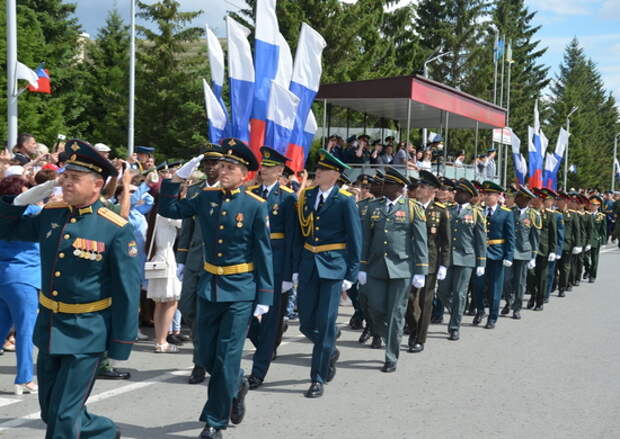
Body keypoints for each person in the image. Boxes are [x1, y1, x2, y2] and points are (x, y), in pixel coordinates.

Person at [0, 139, 140, 439]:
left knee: (63, 417)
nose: (66, 183)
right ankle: (102, 431)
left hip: (88, 333)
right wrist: (19, 201)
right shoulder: (53, 214)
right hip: (50, 327)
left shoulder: (114, 227)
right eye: (65, 176)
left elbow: (127, 292)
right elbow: (7, 230)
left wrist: (120, 345)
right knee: (52, 411)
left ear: (97, 185)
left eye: (75, 179)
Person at [159, 138, 273, 439]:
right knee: (207, 355)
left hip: (240, 290)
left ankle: (215, 421)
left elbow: (263, 252)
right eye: (221, 165)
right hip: (210, 285)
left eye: (230, 166)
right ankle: (238, 384)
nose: (222, 170)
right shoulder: (205, 198)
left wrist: (265, 296)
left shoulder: (254, 206)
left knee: (226, 356)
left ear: (245, 173)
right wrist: (177, 178)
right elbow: (169, 207)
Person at [292, 148, 362, 398]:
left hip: (333, 267)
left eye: (322, 170)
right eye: (317, 168)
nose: (317, 173)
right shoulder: (307, 196)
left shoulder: (344, 200)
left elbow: (355, 239)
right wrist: (296, 269)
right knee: (306, 323)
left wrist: (351, 275)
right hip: (309, 263)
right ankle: (330, 349)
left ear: (334, 175)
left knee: (324, 323)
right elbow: (299, 235)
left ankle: (317, 378)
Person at [360, 167, 428, 372]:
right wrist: (362, 266)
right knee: (375, 308)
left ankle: (391, 356)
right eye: (384, 184)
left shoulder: (412, 208)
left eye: (389, 184)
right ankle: (383, 332)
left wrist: (421, 270)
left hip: (402, 268)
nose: (384, 187)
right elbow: (366, 239)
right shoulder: (373, 207)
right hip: (376, 267)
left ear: (399, 188)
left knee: (396, 313)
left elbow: (420, 241)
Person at [246, 146, 297, 389]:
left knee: (268, 321)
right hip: (249, 264)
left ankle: (258, 371)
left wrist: (288, 274)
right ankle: (267, 346)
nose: (262, 169)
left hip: (275, 267)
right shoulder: (251, 193)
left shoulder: (287, 198)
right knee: (246, 318)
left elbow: (291, 239)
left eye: (268, 166)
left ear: (279, 171)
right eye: (262, 165)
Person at [176, 143, 222, 384]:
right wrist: (181, 259)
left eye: (214, 164)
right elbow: (187, 228)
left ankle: (199, 363)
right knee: (188, 308)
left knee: (206, 314)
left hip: (217, 265)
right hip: (194, 260)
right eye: (207, 164)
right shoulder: (195, 192)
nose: (211, 168)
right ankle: (203, 353)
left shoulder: (229, 191)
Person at [0, 176, 41, 395]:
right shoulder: (32, 210)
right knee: (26, 331)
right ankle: (24, 378)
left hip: (3, 275)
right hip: (24, 277)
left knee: (1, 328)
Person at [405, 170, 450, 354]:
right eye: (419, 186)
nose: (419, 189)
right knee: (408, 299)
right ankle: (413, 327)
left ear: (432, 191)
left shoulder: (440, 212)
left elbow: (445, 241)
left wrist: (444, 265)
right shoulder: (408, 207)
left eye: (423, 187)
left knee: (425, 301)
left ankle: (419, 338)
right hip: (409, 260)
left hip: (430, 263)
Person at [437, 179, 486, 341]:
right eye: (456, 192)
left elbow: (480, 239)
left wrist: (481, 262)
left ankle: (454, 326)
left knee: (459, 293)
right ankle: (456, 311)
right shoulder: (448, 210)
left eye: (459, 192)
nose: (455, 194)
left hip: (466, 258)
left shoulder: (476, 213)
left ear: (468, 196)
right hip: (448, 258)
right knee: (442, 292)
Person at [472, 181, 515, 329]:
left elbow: (510, 236)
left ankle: (492, 317)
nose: (487, 197)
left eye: (490, 194)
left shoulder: (506, 213)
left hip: (497, 254)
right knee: (477, 286)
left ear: (498, 196)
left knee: (495, 288)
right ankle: (480, 310)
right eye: (485, 194)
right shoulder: (478, 210)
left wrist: (509, 256)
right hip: (480, 254)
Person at [501, 185, 540, 319]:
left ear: (527, 200)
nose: (517, 199)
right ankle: (509, 301)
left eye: (520, 198)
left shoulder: (533, 215)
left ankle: (516, 308)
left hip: (524, 252)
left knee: (520, 282)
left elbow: (535, 237)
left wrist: (533, 256)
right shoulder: (509, 212)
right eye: (517, 197)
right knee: (506, 280)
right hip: (510, 252)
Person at [147, 212, 182, 352]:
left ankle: (159, 339)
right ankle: (162, 341)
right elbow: (185, 223)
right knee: (171, 300)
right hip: (167, 258)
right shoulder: (168, 215)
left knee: (160, 302)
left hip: (158, 257)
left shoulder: (155, 214)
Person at [525, 188, 558, 311]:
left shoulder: (549, 215)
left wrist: (553, 250)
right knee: (530, 276)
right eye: (534, 198)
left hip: (543, 249)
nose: (535, 200)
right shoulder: (528, 213)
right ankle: (533, 295)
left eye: (538, 198)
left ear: (542, 201)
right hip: (529, 249)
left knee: (541, 277)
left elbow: (553, 234)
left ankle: (540, 301)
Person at [584, 195, 607, 282]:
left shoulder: (601, 216)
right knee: (584, 258)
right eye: (591, 204)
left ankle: (592, 276)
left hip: (595, 239)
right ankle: (587, 270)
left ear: (598, 205)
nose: (592, 206)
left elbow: (603, 230)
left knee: (594, 258)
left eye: (594, 204)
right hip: (586, 239)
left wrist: (603, 242)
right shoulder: (586, 214)